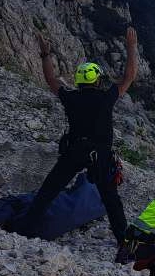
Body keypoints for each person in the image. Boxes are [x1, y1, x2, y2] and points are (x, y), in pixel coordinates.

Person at [16, 27, 138, 243]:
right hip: (99, 154)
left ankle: (25, 228)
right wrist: (131, 47)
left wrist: (46, 54)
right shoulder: (106, 98)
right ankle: (123, 241)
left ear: (80, 81)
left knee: (49, 190)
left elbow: (51, 80)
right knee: (110, 198)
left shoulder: (71, 98)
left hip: (74, 150)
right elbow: (129, 76)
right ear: (98, 81)